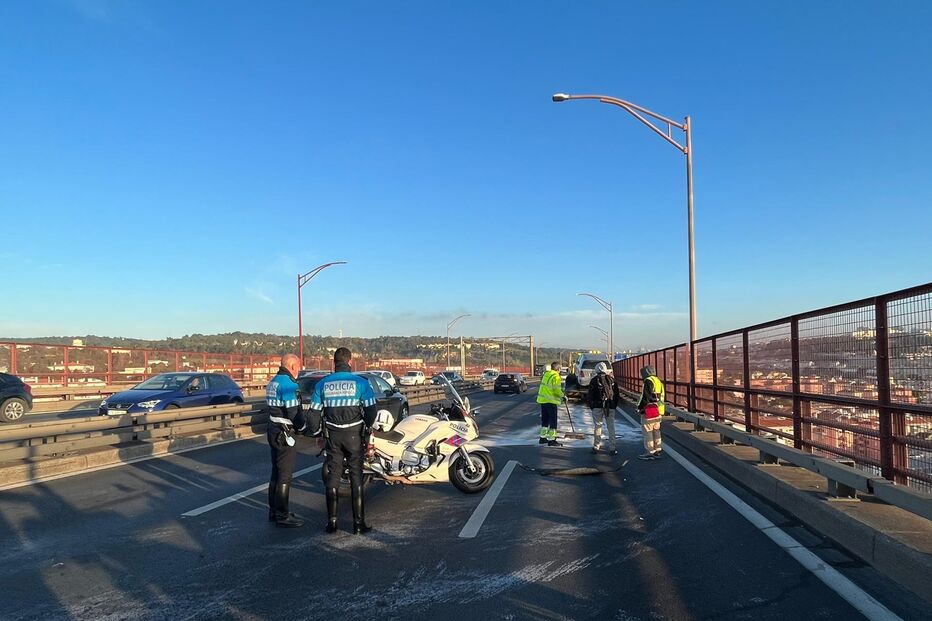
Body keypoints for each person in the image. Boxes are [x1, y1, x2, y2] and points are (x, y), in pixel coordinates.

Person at [306, 347, 379, 534]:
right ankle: (358, 524)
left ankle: (332, 522)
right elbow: (371, 410)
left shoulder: (323, 384)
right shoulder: (360, 383)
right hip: (355, 435)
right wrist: (367, 426)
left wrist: (316, 434)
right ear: (350, 362)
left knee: (333, 477)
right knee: (356, 477)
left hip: (333, 437)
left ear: (334, 362)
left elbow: (313, 415)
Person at [265, 353, 308, 527]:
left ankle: (274, 511)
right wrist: (303, 428)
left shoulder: (273, 382)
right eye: (298, 366)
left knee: (275, 472)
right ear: (292, 366)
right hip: (284, 433)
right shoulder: (289, 385)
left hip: (273, 430)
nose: (299, 369)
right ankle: (283, 515)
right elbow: (293, 413)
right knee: (285, 475)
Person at [587, 362, 619, 455]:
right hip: (610, 406)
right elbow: (617, 395)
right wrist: (614, 405)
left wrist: (592, 406)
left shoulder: (594, 380)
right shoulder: (612, 380)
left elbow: (590, 395)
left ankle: (596, 446)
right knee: (611, 427)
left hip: (597, 406)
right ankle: (613, 448)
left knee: (598, 426)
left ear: (597, 370)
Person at [636, 365, 666, 460]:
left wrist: (640, 408)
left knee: (648, 431)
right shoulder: (658, 381)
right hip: (658, 410)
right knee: (656, 430)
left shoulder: (648, 381)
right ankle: (657, 450)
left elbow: (646, 397)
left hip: (649, 410)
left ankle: (650, 452)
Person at [536, 361, 564, 447]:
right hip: (551, 402)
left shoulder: (546, 374)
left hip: (543, 401)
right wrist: (563, 396)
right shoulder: (556, 376)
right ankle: (552, 440)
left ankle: (542, 438)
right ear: (558, 369)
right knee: (553, 421)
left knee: (545, 420)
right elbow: (556, 390)